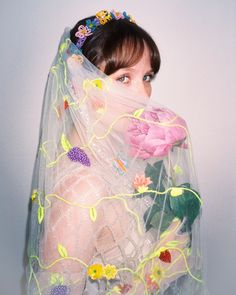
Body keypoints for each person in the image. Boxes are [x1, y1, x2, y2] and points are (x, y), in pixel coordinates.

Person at [25, 10, 205, 295]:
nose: (142, 95)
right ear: (78, 82)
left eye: (146, 77)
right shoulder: (81, 189)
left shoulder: (115, 160)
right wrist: (151, 277)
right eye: (123, 78)